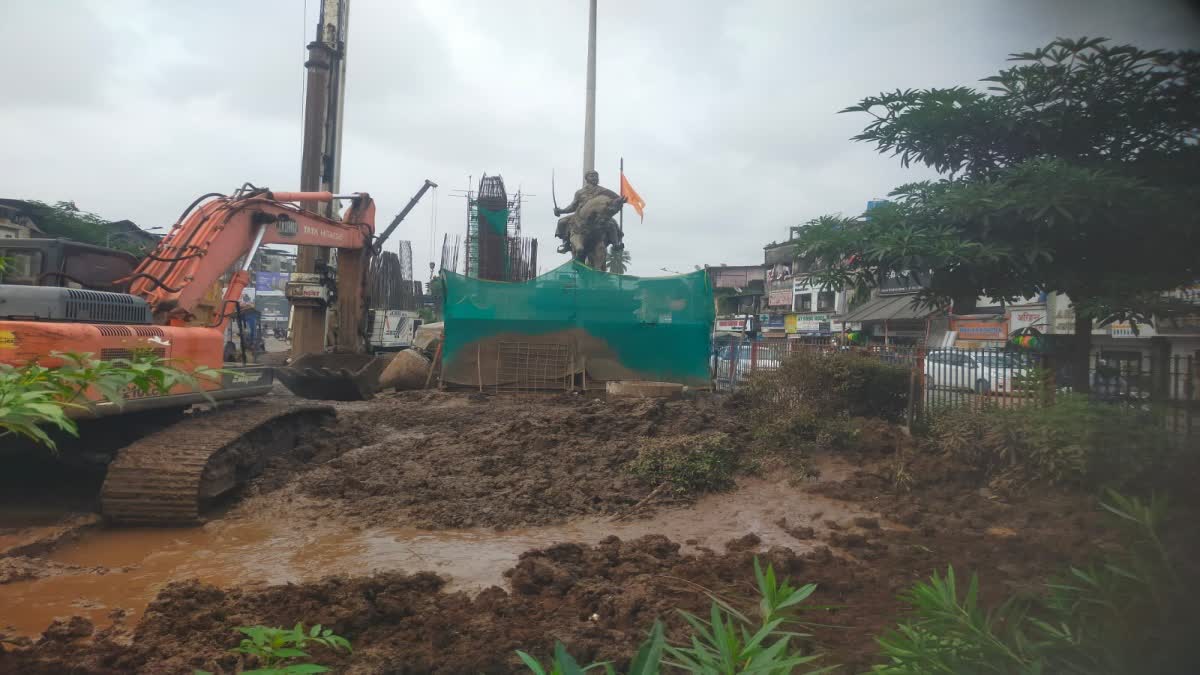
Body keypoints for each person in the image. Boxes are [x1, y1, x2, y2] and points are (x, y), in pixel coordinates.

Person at [554, 170, 623, 254]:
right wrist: (561, 211)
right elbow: (573, 206)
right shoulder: (579, 193)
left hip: (599, 216)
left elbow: (616, 200)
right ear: (586, 178)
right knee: (561, 222)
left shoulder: (604, 191)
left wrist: (620, 201)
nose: (595, 178)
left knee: (612, 224)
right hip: (580, 216)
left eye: (596, 176)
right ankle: (566, 244)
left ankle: (615, 244)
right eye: (592, 176)